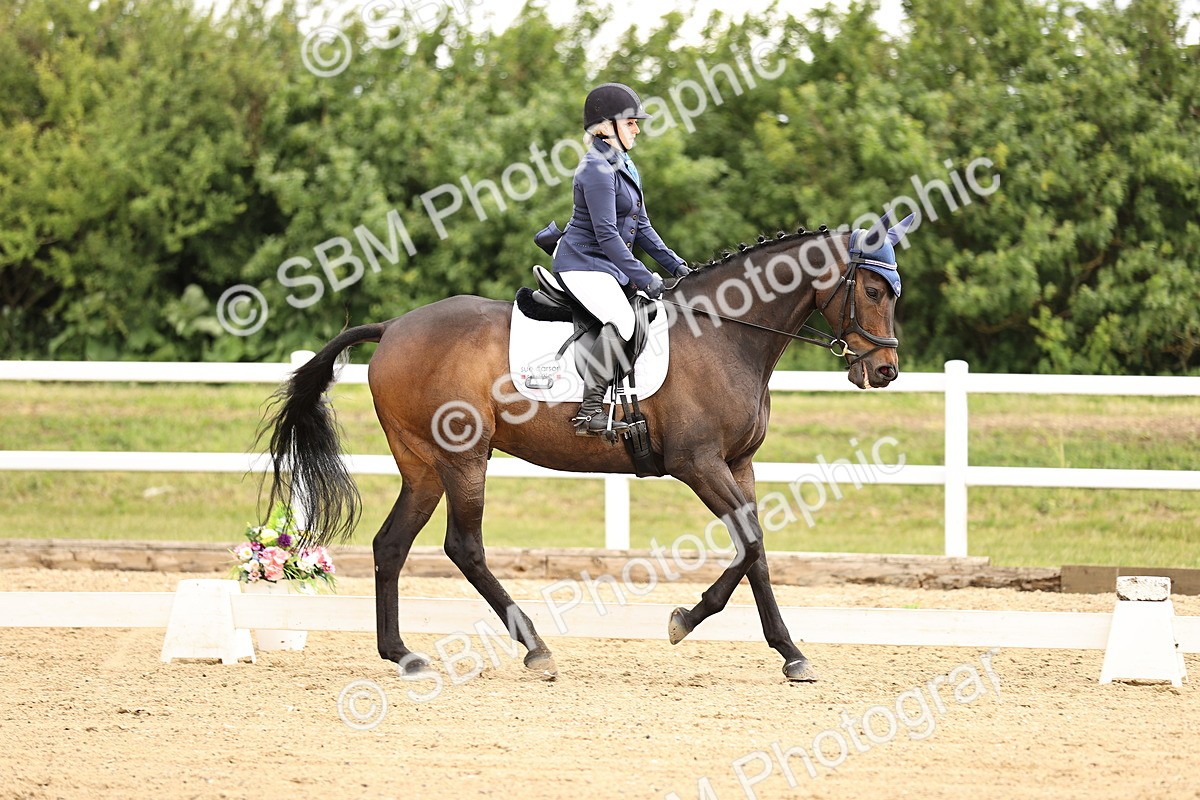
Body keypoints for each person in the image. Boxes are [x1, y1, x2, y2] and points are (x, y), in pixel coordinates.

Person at [552, 82, 691, 436]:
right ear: (605, 126)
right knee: (623, 320)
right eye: (630, 122)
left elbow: (642, 226)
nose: (638, 129)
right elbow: (607, 235)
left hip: (606, 264)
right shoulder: (595, 170)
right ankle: (589, 411)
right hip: (582, 263)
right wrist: (646, 277)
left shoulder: (623, 164)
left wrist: (677, 266)